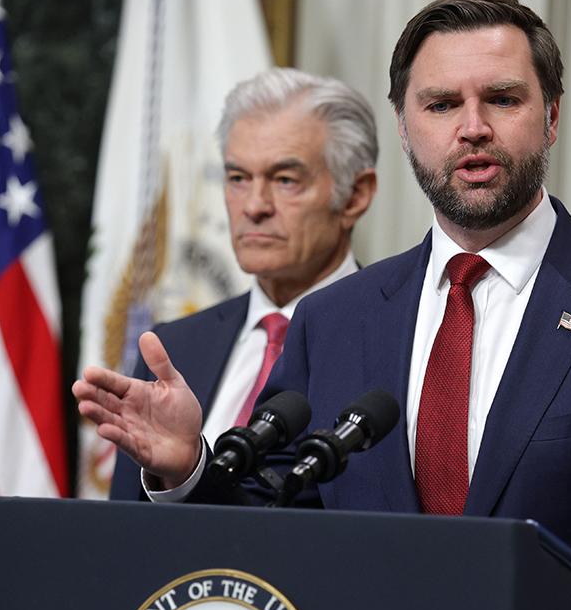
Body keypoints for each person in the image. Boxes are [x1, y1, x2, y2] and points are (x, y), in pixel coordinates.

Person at [75, 0, 571, 610]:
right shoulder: (336, 321)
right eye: (441, 105)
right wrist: (187, 465)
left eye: (502, 99)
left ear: (552, 116)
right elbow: (274, 532)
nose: (472, 127)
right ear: (406, 130)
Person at [104, 68, 378, 501]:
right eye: (237, 178)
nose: (254, 206)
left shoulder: (394, 339)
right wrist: (177, 477)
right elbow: (122, 534)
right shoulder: (173, 349)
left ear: (355, 195)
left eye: (285, 180)